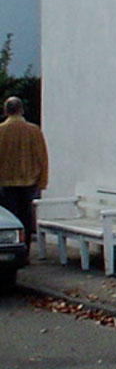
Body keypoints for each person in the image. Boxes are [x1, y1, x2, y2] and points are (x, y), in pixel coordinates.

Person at [0, 96, 48, 253]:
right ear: (21, 110)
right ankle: (25, 249)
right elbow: (43, 159)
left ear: (6, 111)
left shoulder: (1, 131)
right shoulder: (34, 131)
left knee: (9, 219)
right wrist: (42, 182)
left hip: (6, 182)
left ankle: (10, 249)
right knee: (27, 218)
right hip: (29, 182)